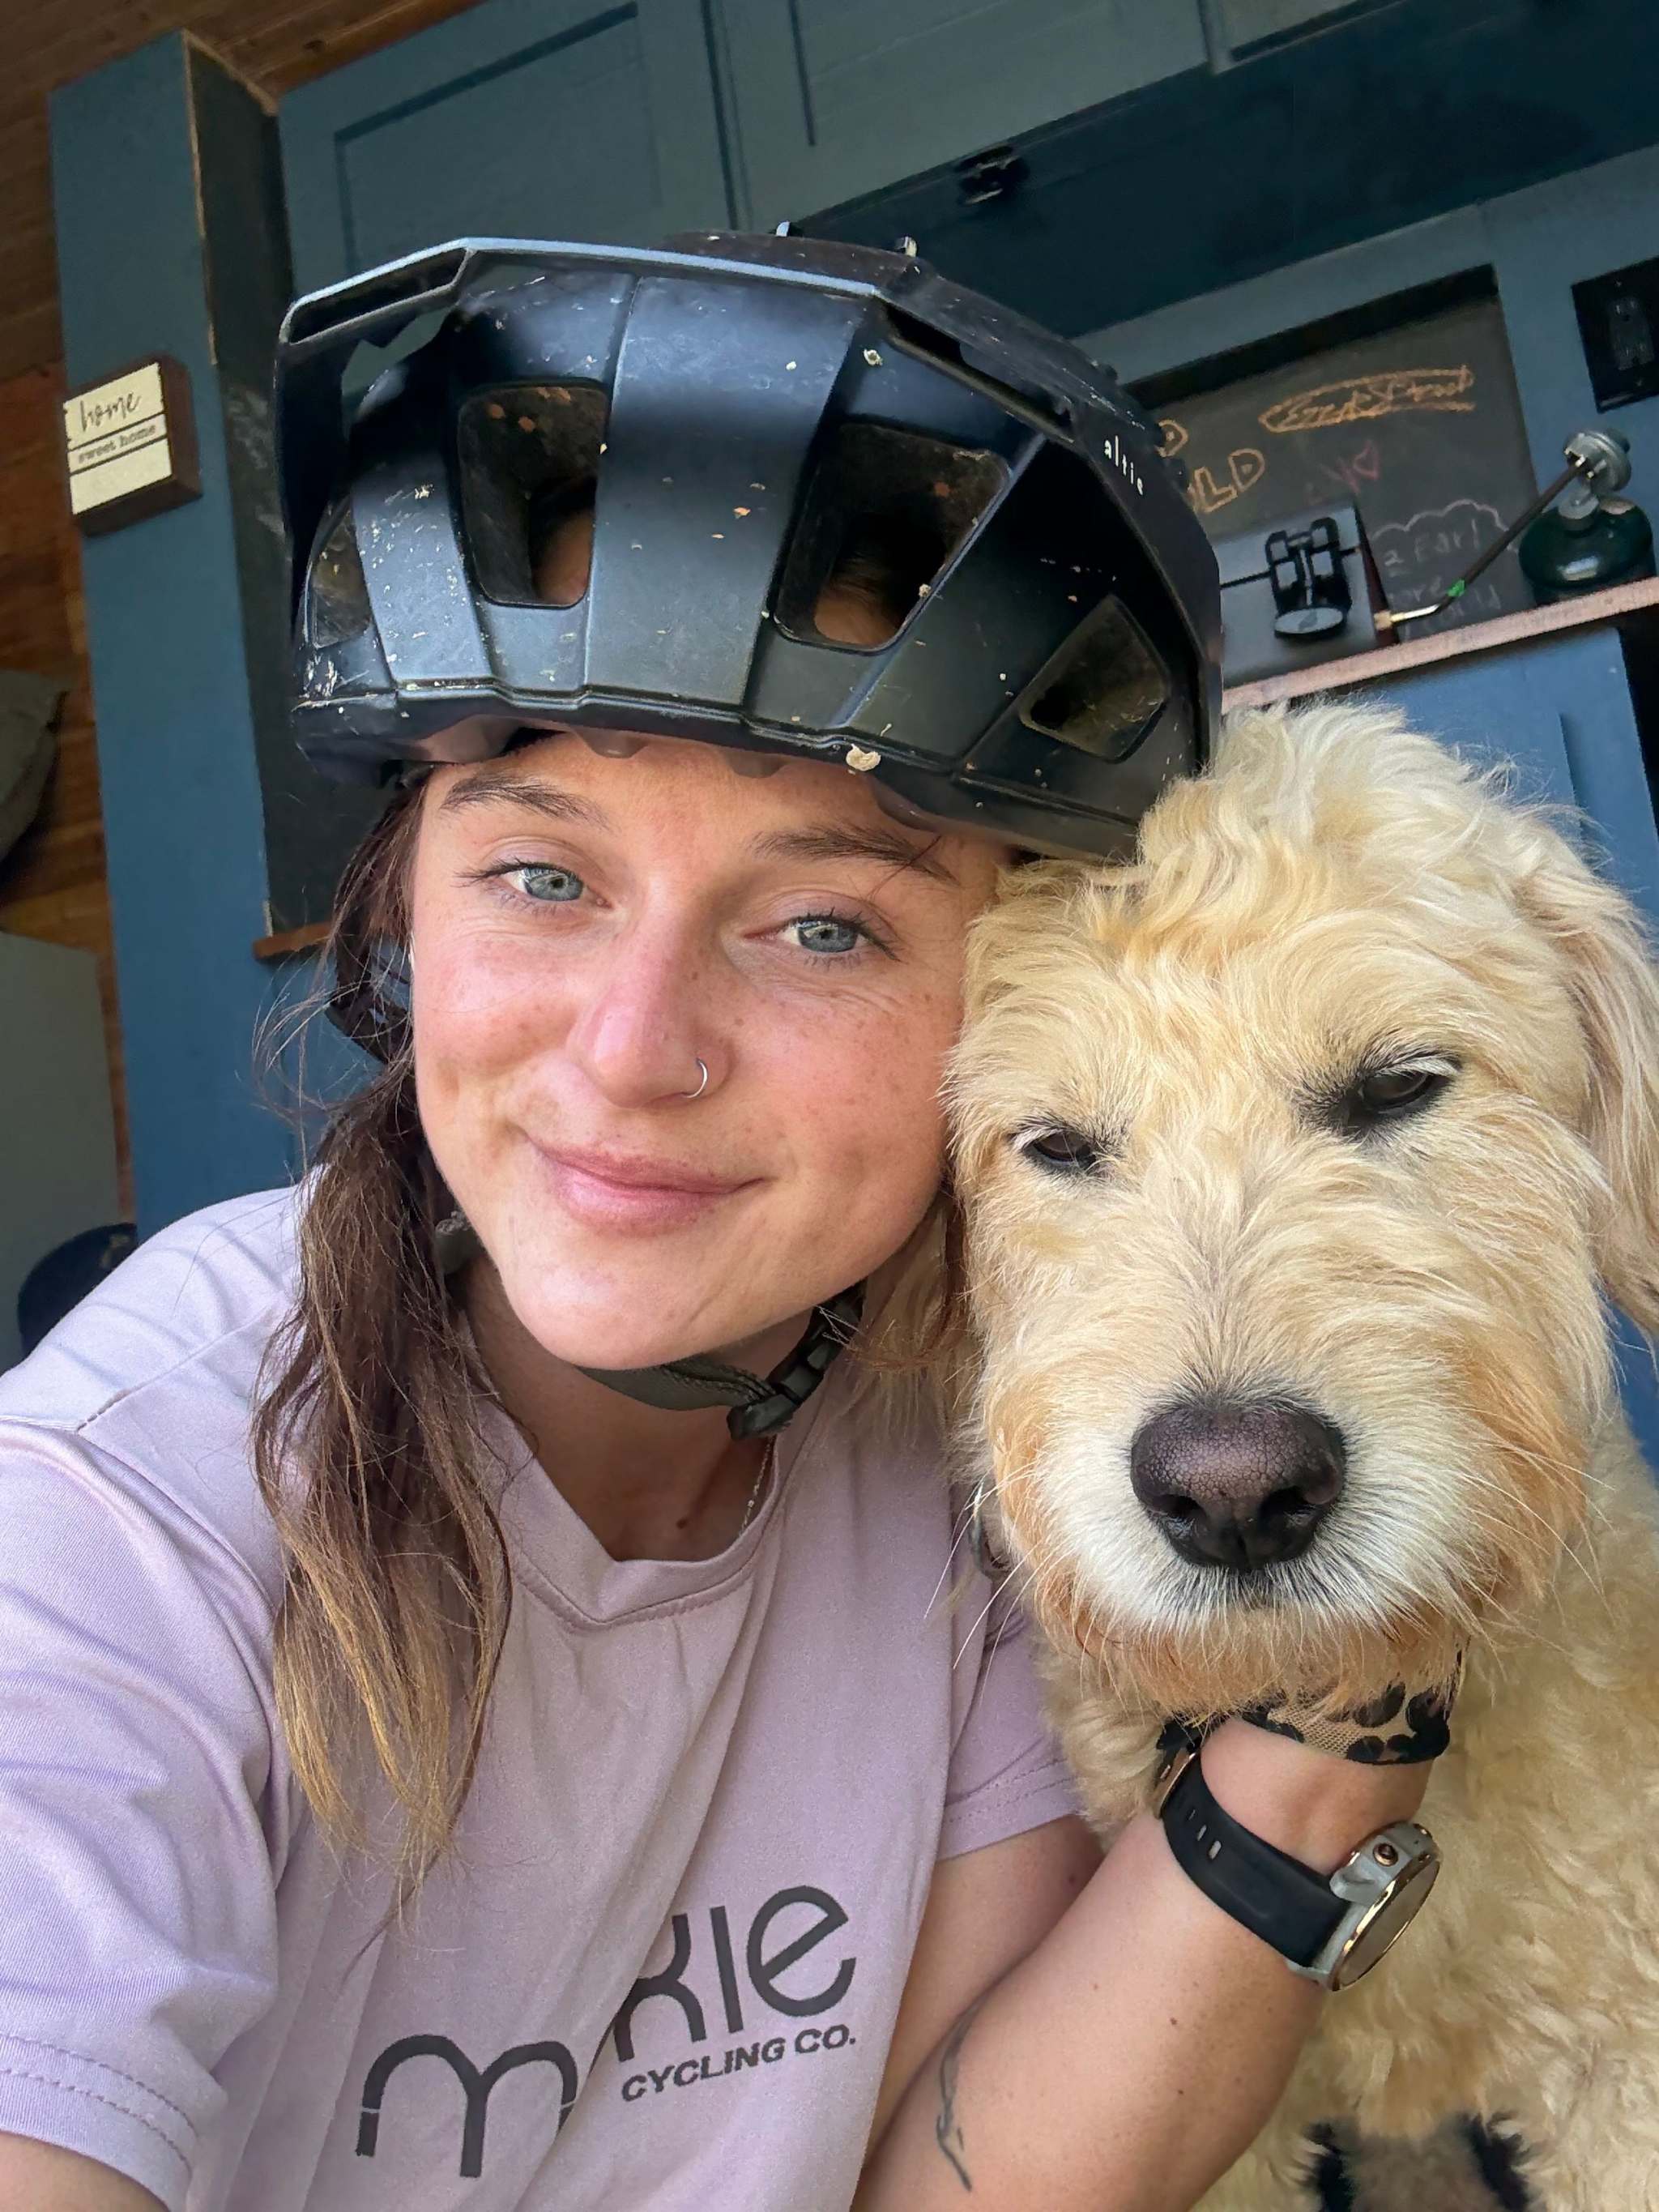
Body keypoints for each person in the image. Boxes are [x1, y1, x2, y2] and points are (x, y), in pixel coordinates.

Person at [0, 232, 1438, 2212]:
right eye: (540, 877)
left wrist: (1342, 1710)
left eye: (824, 923)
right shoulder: (108, 1514)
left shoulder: (948, 1449)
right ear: (399, 905)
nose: (635, 1050)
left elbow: (957, 2169)